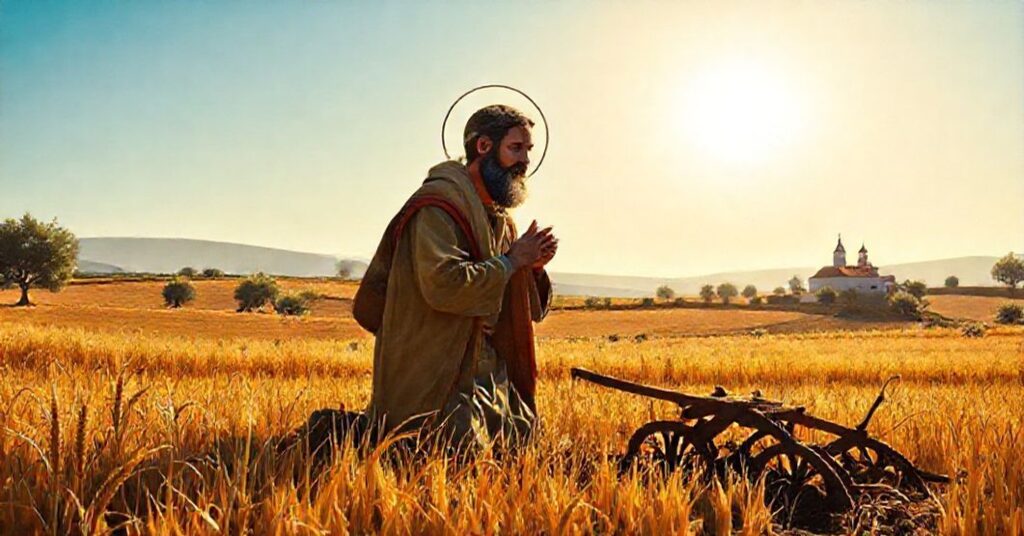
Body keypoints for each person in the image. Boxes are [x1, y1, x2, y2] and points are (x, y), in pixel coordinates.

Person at [360, 104, 557, 450]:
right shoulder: (437, 207)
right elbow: (443, 285)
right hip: (439, 369)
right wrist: (512, 261)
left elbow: (527, 310)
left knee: (523, 445)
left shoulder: (500, 220)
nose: (525, 161)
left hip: (486, 370)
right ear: (483, 147)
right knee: (457, 452)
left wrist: (533, 267)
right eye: (516, 148)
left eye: (528, 150)